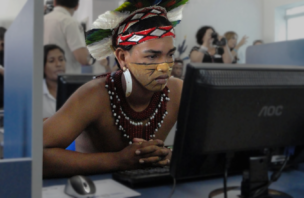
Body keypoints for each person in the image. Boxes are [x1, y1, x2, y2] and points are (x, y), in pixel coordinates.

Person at [43, 0, 187, 178]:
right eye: (152, 56)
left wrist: (173, 156)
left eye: (170, 55)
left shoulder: (177, 91)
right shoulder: (95, 95)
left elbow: (210, 143)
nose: (164, 67)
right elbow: (36, 154)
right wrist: (118, 160)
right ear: (122, 57)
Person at [44, 0, 92, 74]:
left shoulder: (43, 20)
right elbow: (83, 58)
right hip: (66, 78)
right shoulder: (70, 22)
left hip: (45, 79)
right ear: (77, 6)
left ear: (54, 2)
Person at [43, 44, 66, 119]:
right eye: (51, 61)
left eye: (61, 59)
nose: (58, 64)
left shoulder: (76, 89)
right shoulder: (34, 92)